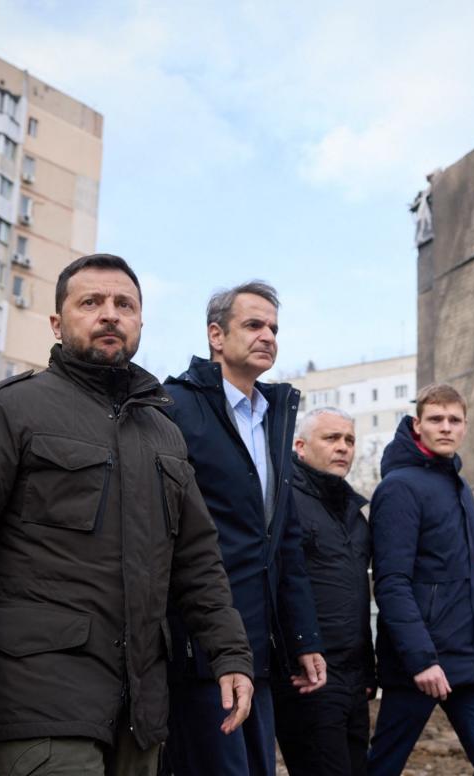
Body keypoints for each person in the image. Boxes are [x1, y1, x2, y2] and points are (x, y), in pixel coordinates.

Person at [0, 254, 254, 775]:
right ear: (58, 322)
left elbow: (197, 561)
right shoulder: (12, 410)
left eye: (124, 304)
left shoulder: (163, 432)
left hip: (139, 705)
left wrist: (230, 654)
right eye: (90, 302)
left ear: (140, 321)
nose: (109, 314)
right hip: (37, 693)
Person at [161, 280, 325, 776]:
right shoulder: (174, 408)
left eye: (274, 328)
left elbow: (283, 543)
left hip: (259, 646)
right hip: (200, 647)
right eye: (254, 324)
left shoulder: (272, 418)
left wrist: (302, 637)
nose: (268, 336)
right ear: (216, 335)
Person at [367, 384, 474, 776]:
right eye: (436, 419)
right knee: (384, 766)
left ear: (465, 426)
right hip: (421, 668)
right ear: (417, 425)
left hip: (472, 665)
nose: (446, 427)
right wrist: (421, 661)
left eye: (455, 420)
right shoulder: (399, 488)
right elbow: (392, 583)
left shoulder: (460, 486)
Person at [273, 408, 374, 776]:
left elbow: (358, 595)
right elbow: (278, 584)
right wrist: (296, 651)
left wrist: (367, 671)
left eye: (349, 440)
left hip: (352, 679)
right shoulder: (284, 502)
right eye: (331, 439)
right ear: (299, 446)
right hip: (308, 675)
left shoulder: (354, 514)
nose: (343, 447)